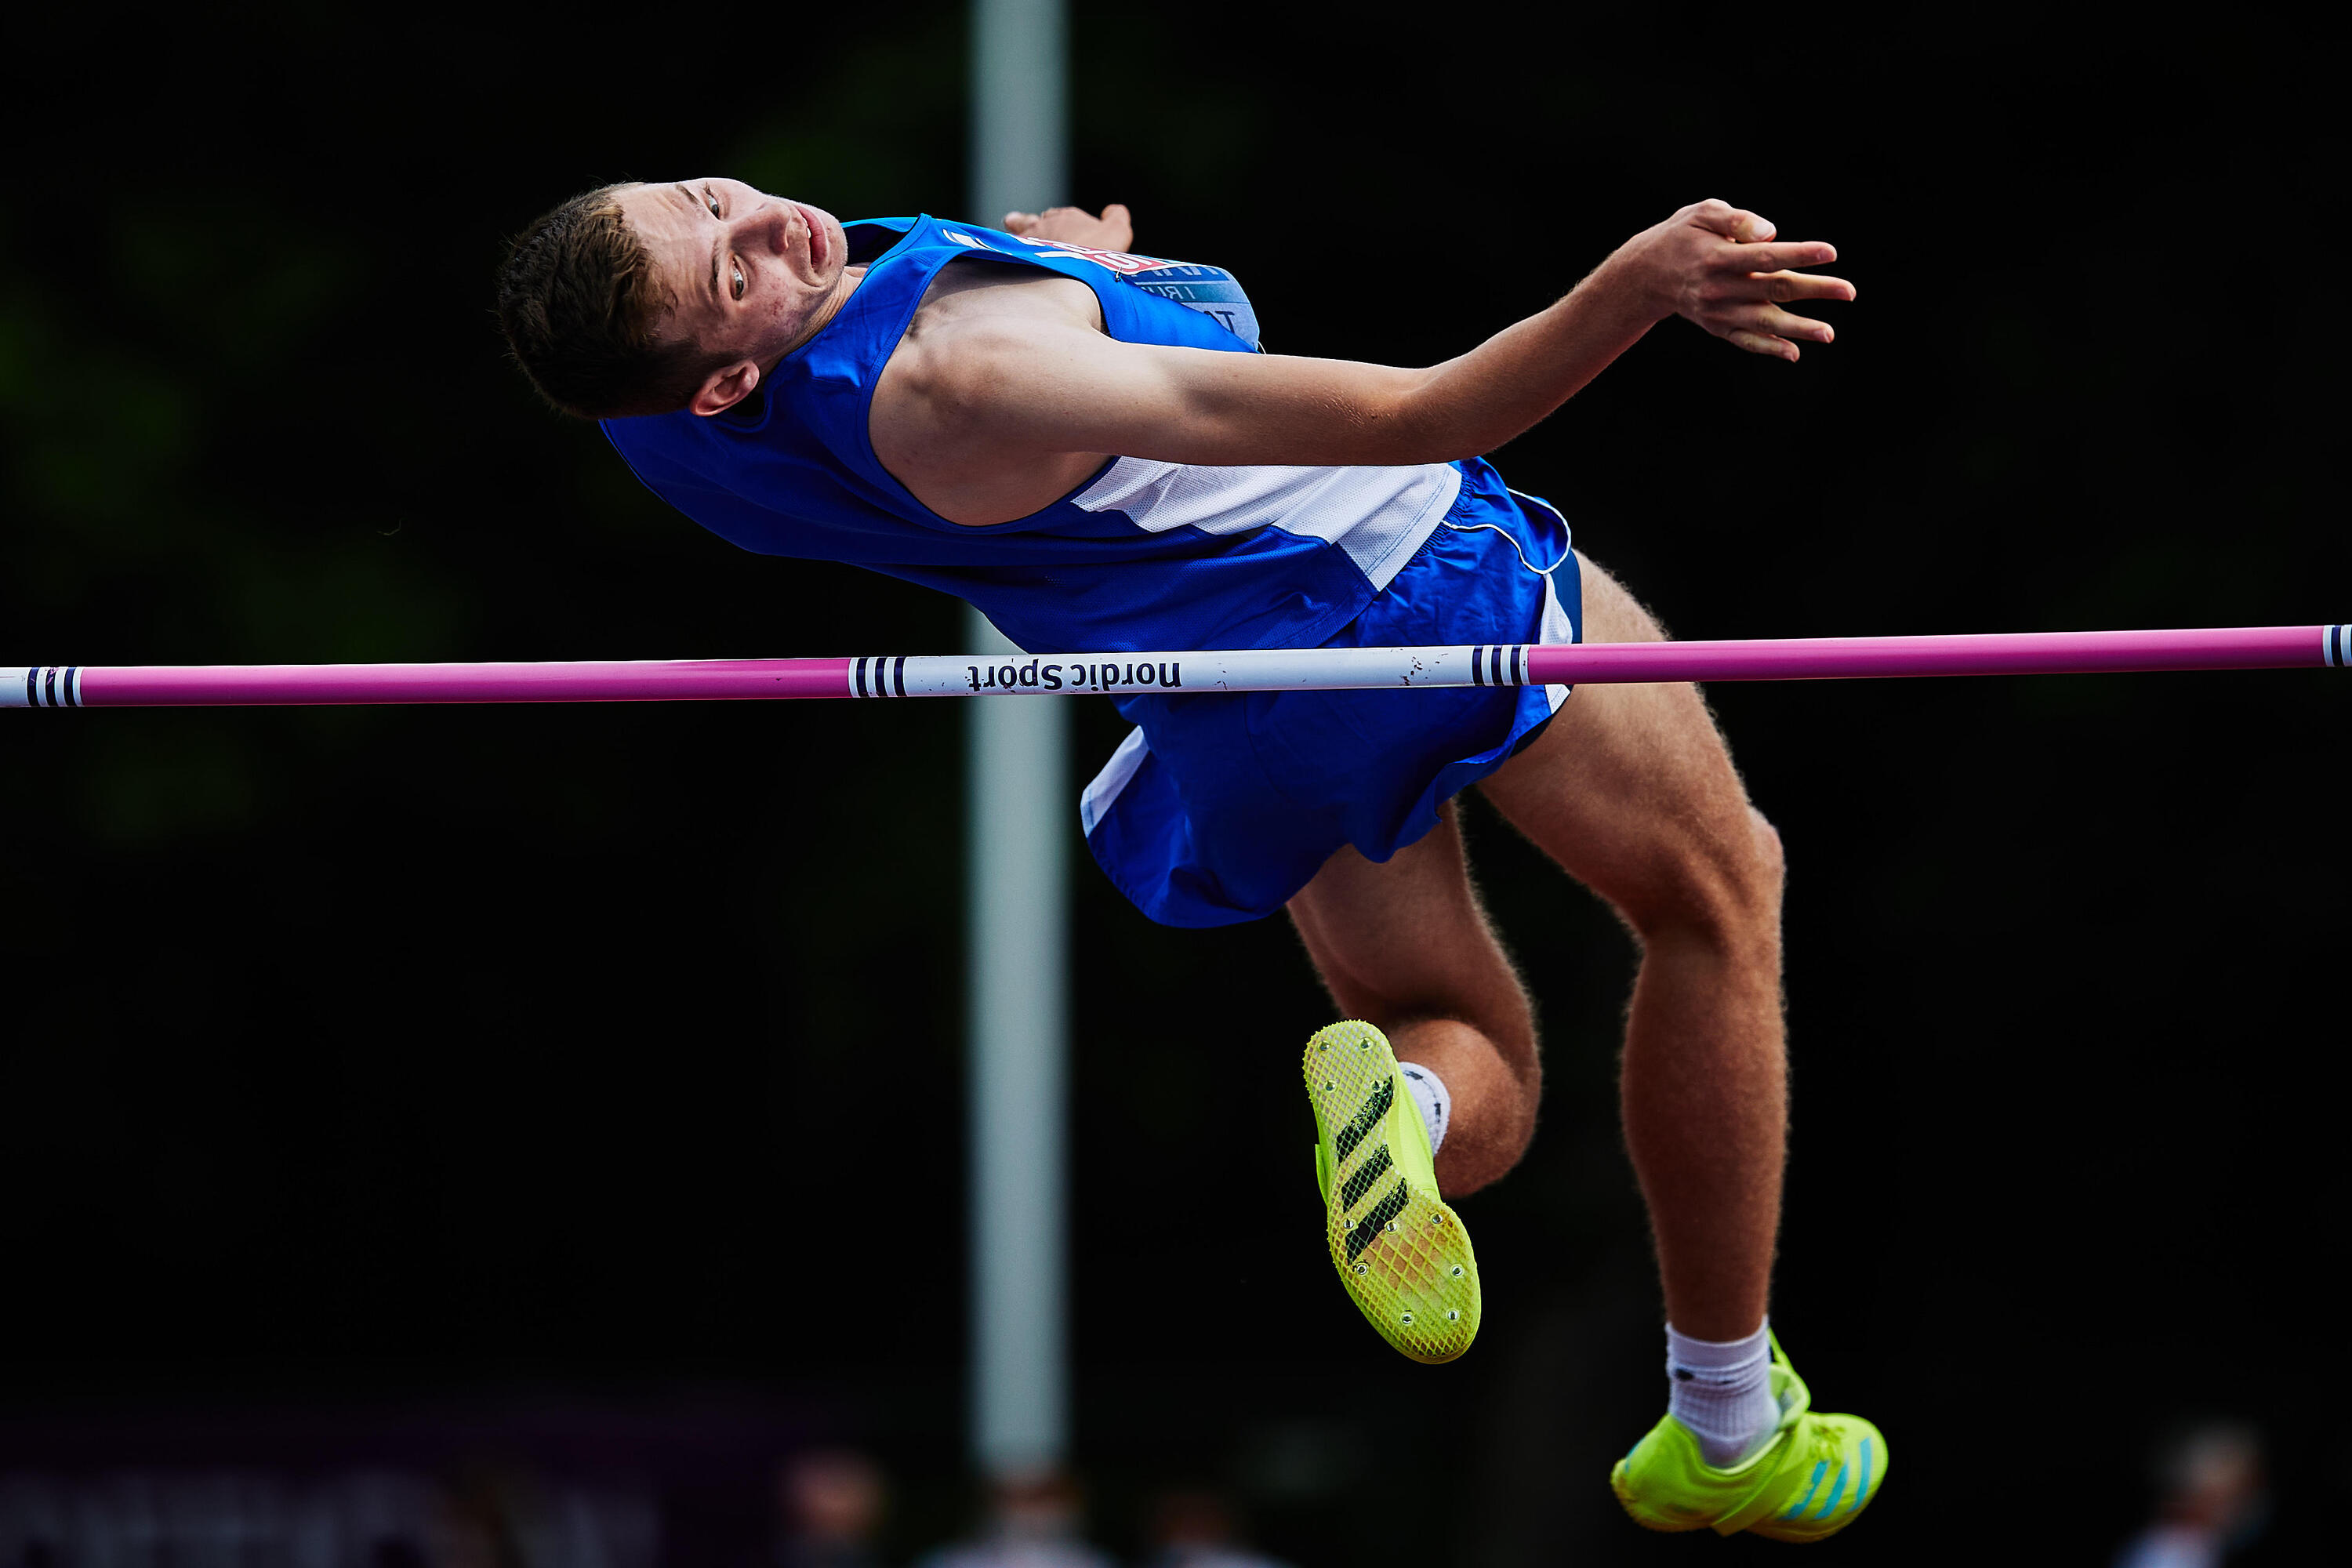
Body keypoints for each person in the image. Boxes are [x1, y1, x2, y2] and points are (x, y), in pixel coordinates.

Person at [495, 180, 1883, 1541]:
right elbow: (1424, 411)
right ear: (725, 381)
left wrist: (1076, 273)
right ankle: (1729, 1425)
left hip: (1235, 703)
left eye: (704, 196)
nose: (761, 225)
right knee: (1716, 897)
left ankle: (1411, 1108)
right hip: (1400, 581)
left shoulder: (667, 425)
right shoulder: (971, 371)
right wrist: (1637, 286)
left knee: (1467, 1054)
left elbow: (941, 347)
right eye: (734, 273)